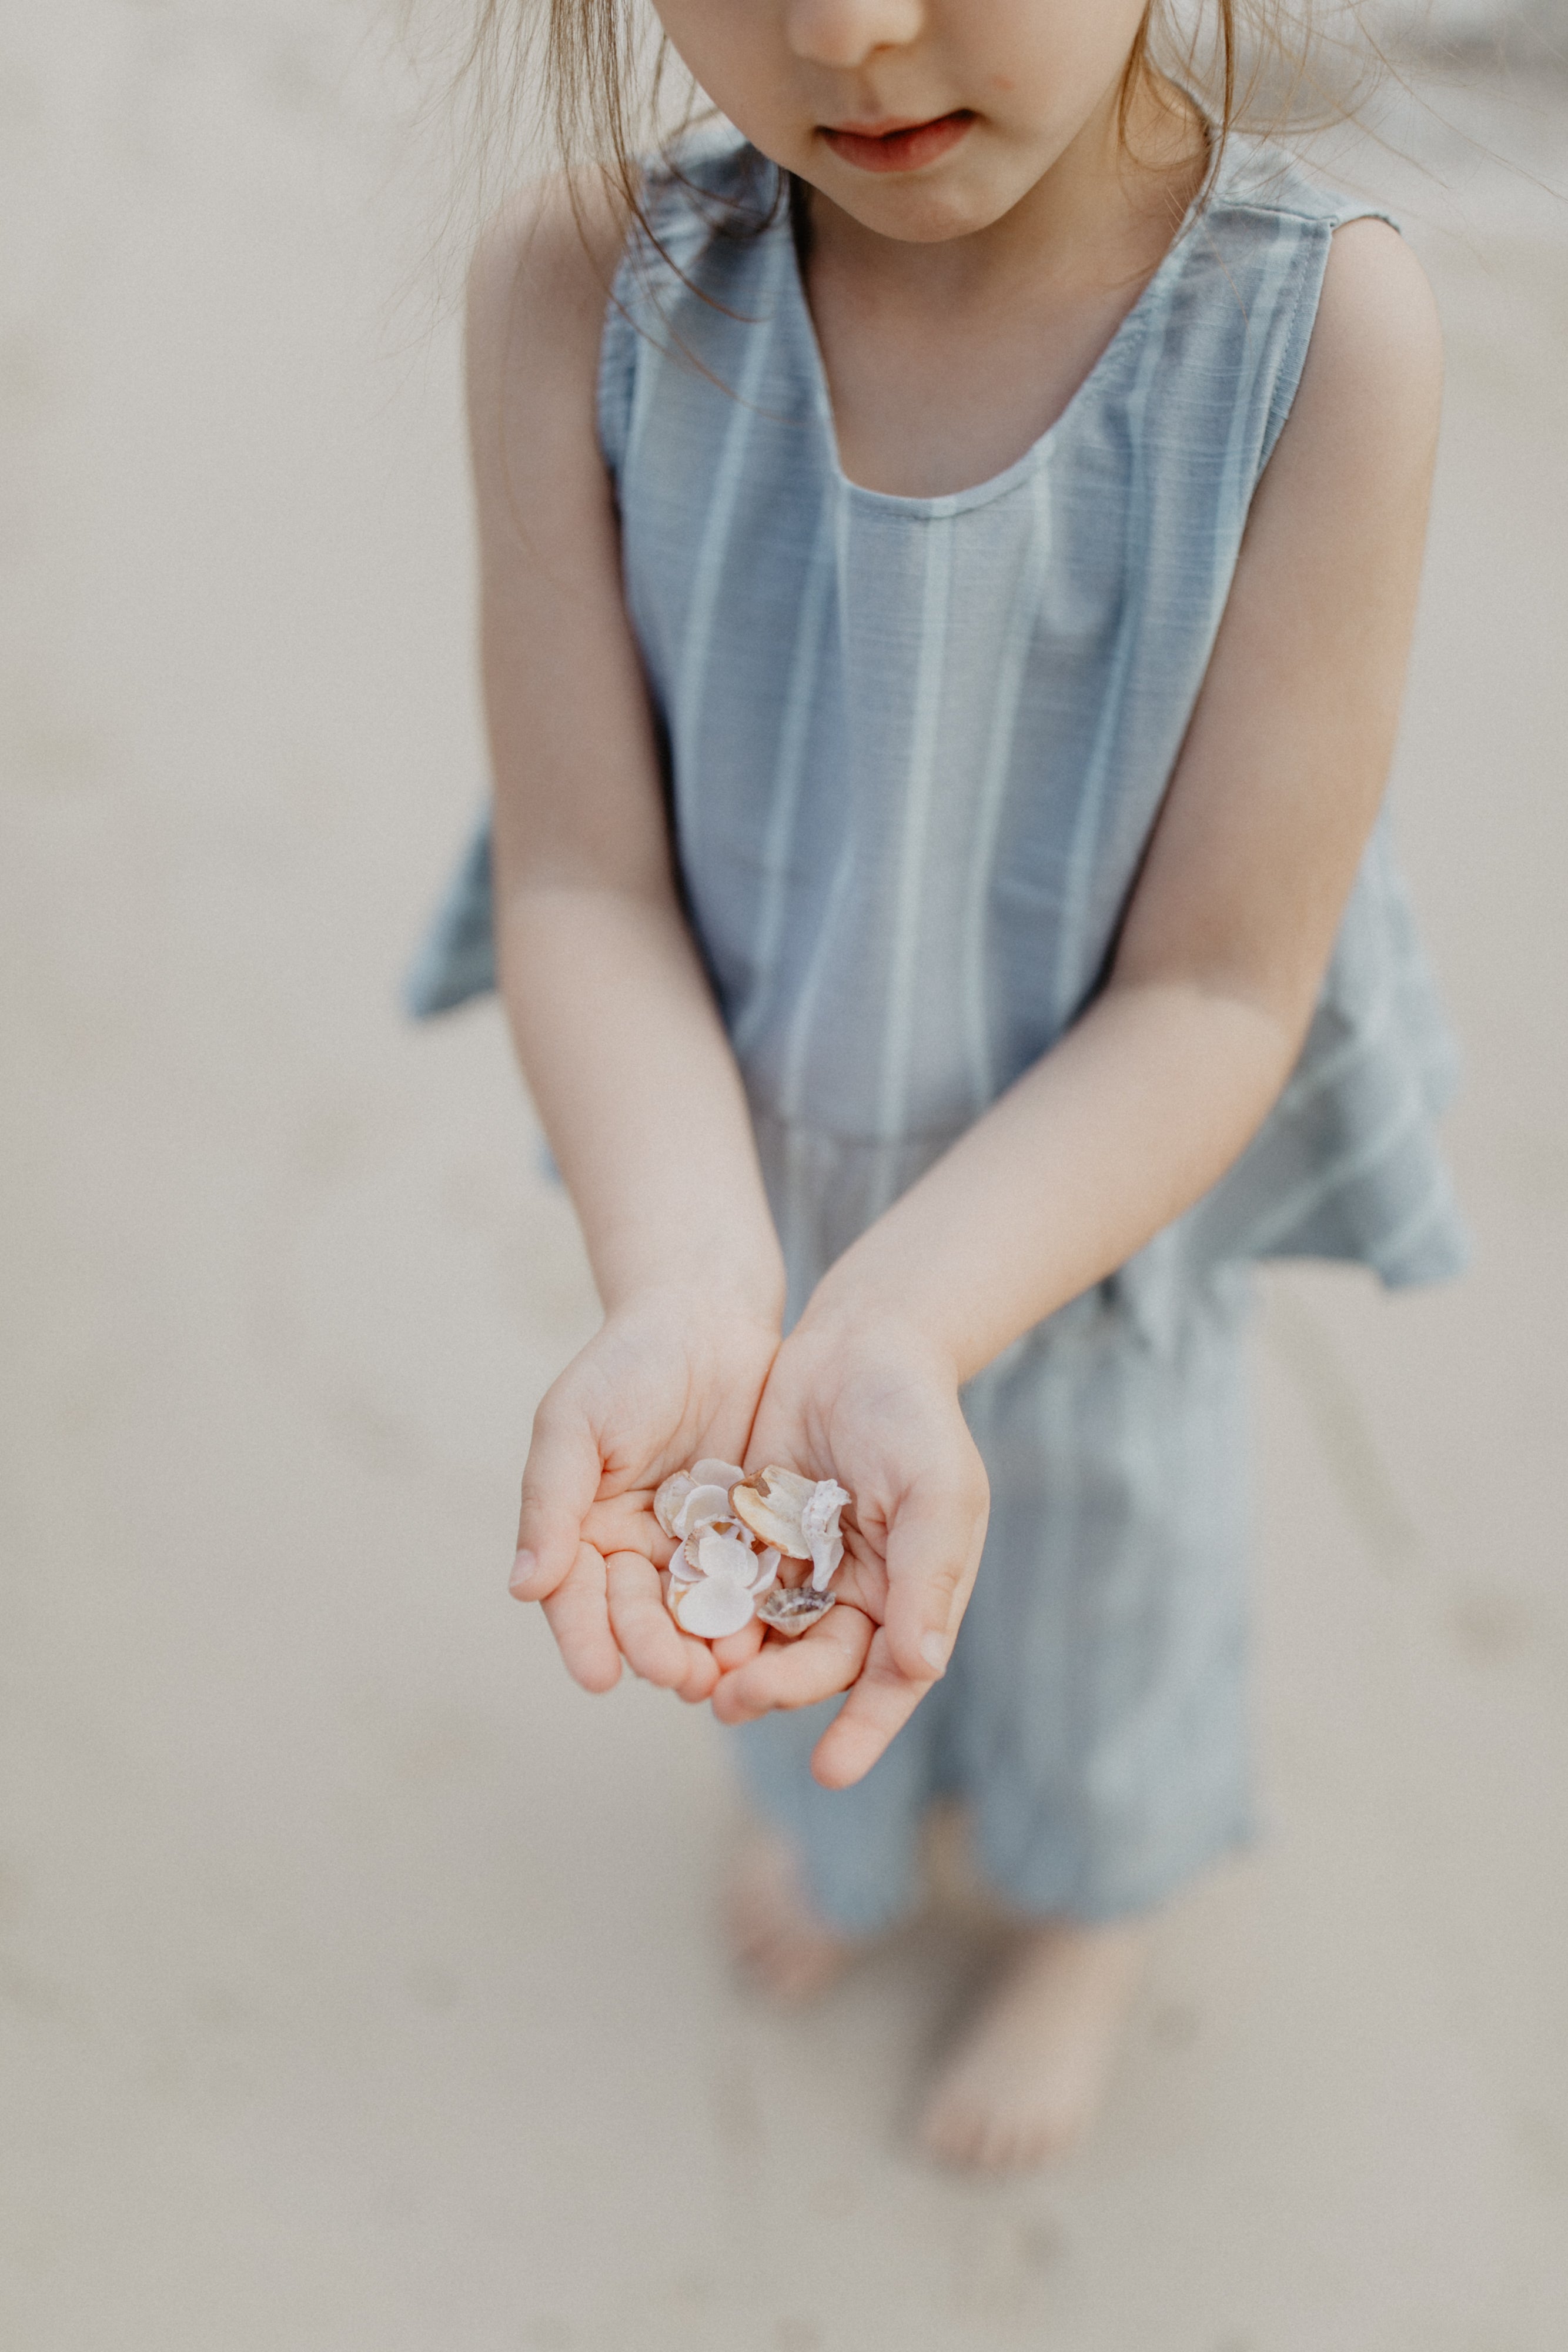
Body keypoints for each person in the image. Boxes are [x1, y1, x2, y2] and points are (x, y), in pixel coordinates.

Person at [407, 0, 1467, 2169]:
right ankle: (847, 1842)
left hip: (1091, 1206)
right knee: (761, 1530)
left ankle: (1089, 1912)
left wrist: (898, 1314)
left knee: (1100, 1607)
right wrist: (699, 1283)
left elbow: (1212, 990)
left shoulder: (1316, 342)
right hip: (726, 1155)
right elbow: (584, 880)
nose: (845, 32)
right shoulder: (577, 287)